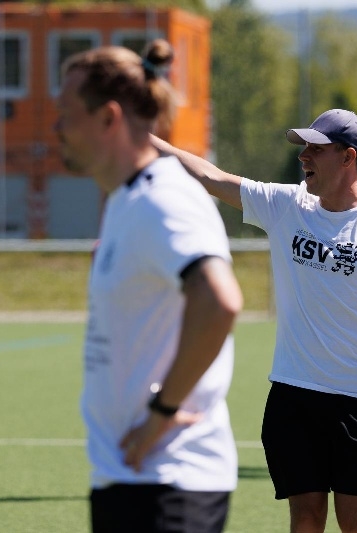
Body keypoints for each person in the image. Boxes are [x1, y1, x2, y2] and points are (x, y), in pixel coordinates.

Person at [152, 109, 357, 533]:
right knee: (305, 518)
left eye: (316, 149)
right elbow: (210, 176)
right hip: (292, 395)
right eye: (304, 148)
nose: (303, 156)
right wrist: (142, 139)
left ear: (348, 157)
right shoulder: (286, 205)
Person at [54, 39, 244, 533]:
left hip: (170, 483)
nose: (57, 128)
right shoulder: (126, 199)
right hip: (130, 477)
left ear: (108, 118)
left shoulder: (164, 199)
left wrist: (161, 413)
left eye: (67, 114)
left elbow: (220, 301)